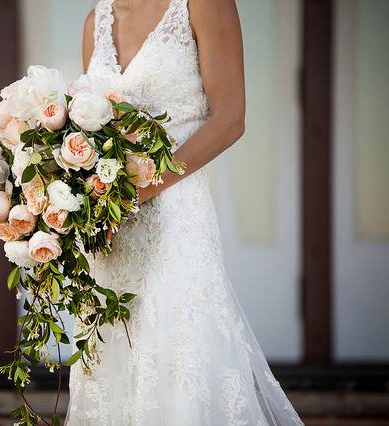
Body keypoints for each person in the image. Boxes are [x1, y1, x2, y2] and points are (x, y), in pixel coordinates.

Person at [65, 0, 304, 424]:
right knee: (114, 358)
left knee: (179, 348)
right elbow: (91, 127)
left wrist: (140, 189)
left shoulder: (203, 5)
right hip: (113, 229)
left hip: (177, 214)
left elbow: (230, 118)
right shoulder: (95, 21)